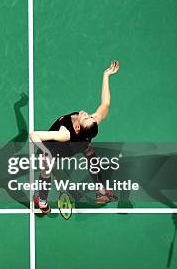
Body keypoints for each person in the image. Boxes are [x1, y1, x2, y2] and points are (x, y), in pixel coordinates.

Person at [29, 61, 120, 214]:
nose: (86, 114)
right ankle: (101, 190)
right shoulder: (90, 124)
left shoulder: (65, 133)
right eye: (89, 116)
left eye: (86, 118)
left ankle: (42, 202)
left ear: (78, 127)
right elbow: (106, 103)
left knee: (46, 169)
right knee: (89, 151)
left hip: (54, 147)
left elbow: (34, 135)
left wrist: (45, 151)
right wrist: (106, 75)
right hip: (70, 145)